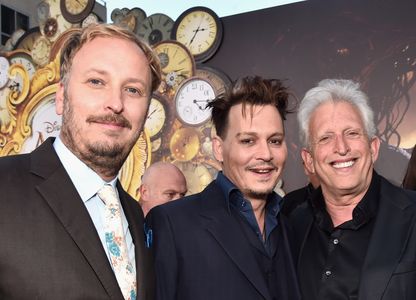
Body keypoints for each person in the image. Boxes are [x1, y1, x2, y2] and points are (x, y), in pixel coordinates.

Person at [0, 24, 161, 300]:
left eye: (133, 90)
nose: (115, 103)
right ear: (61, 97)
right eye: (97, 82)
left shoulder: (134, 214)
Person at [146, 76, 301, 300]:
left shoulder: (291, 227)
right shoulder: (172, 223)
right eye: (248, 141)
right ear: (219, 149)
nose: (266, 154)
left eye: (275, 141)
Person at [286, 79, 416, 300]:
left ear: (373, 148)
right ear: (308, 160)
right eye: (326, 137)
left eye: (352, 133)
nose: (342, 147)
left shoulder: (412, 215)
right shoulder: (289, 221)